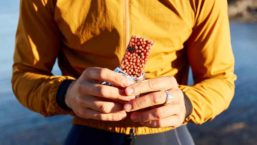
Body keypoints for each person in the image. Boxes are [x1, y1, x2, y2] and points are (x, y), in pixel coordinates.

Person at [12, 0, 236, 145]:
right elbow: (25, 74)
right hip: (89, 133)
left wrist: (186, 102)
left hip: (169, 134)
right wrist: (65, 94)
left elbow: (220, 79)